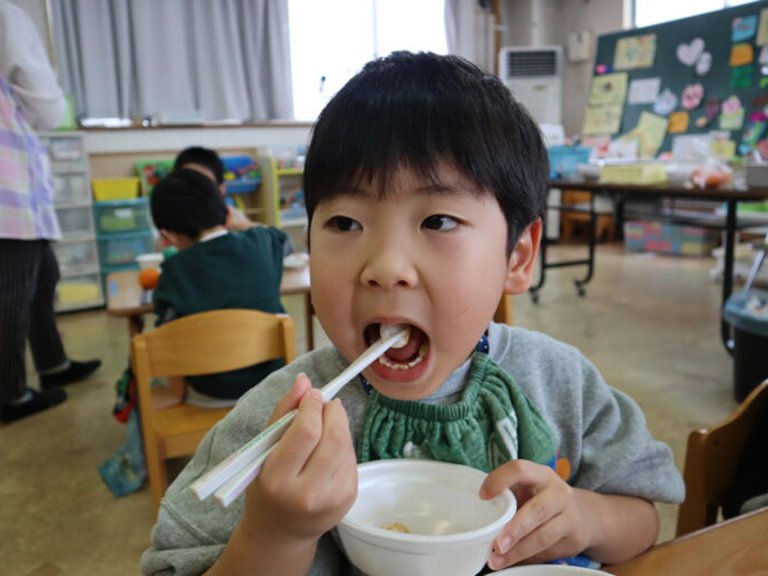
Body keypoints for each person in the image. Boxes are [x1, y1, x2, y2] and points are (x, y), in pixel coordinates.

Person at [141, 52, 684, 574]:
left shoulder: (561, 384)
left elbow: (643, 518)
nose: (385, 268)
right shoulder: (276, 426)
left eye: (438, 221)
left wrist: (588, 517)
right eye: (345, 224)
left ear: (516, 257)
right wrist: (274, 533)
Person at [0, 0, 100, 424]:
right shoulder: (8, 13)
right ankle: (9, 394)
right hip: (8, 189)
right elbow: (47, 105)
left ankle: (52, 363)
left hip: (18, 186)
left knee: (44, 277)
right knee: (12, 295)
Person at [149, 168, 289, 405]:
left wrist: (174, 393)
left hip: (211, 392)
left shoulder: (174, 271)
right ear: (227, 215)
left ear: (168, 236)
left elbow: (170, 339)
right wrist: (244, 223)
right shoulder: (263, 243)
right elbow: (278, 236)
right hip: (272, 384)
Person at [173, 145, 255, 232]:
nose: (196, 192)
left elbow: (260, 236)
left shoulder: (234, 218)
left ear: (221, 189)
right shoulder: (173, 221)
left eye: (205, 185)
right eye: (189, 183)